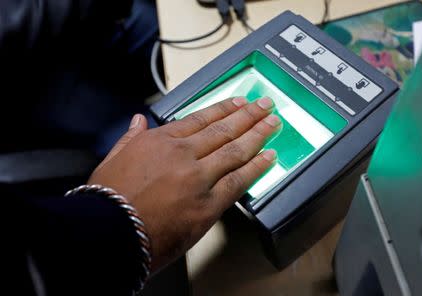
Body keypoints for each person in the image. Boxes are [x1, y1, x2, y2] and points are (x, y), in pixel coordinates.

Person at [1, 1, 282, 295]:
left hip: (48, 42)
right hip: (27, 100)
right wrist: (118, 223)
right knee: (176, 125)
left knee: (152, 26)